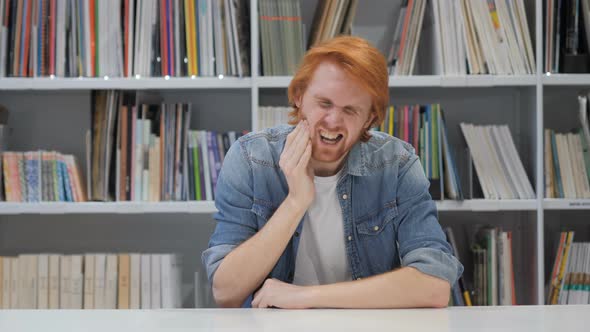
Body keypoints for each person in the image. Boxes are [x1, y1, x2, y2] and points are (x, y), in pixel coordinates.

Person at [202, 36, 463, 309]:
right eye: (324, 103)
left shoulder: (397, 164)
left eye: (350, 109)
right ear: (299, 97)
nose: (333, 121)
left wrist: (304, 298)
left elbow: (434, 286)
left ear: (370, 119)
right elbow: (225, 291)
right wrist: (295, 202)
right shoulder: (251, 158)